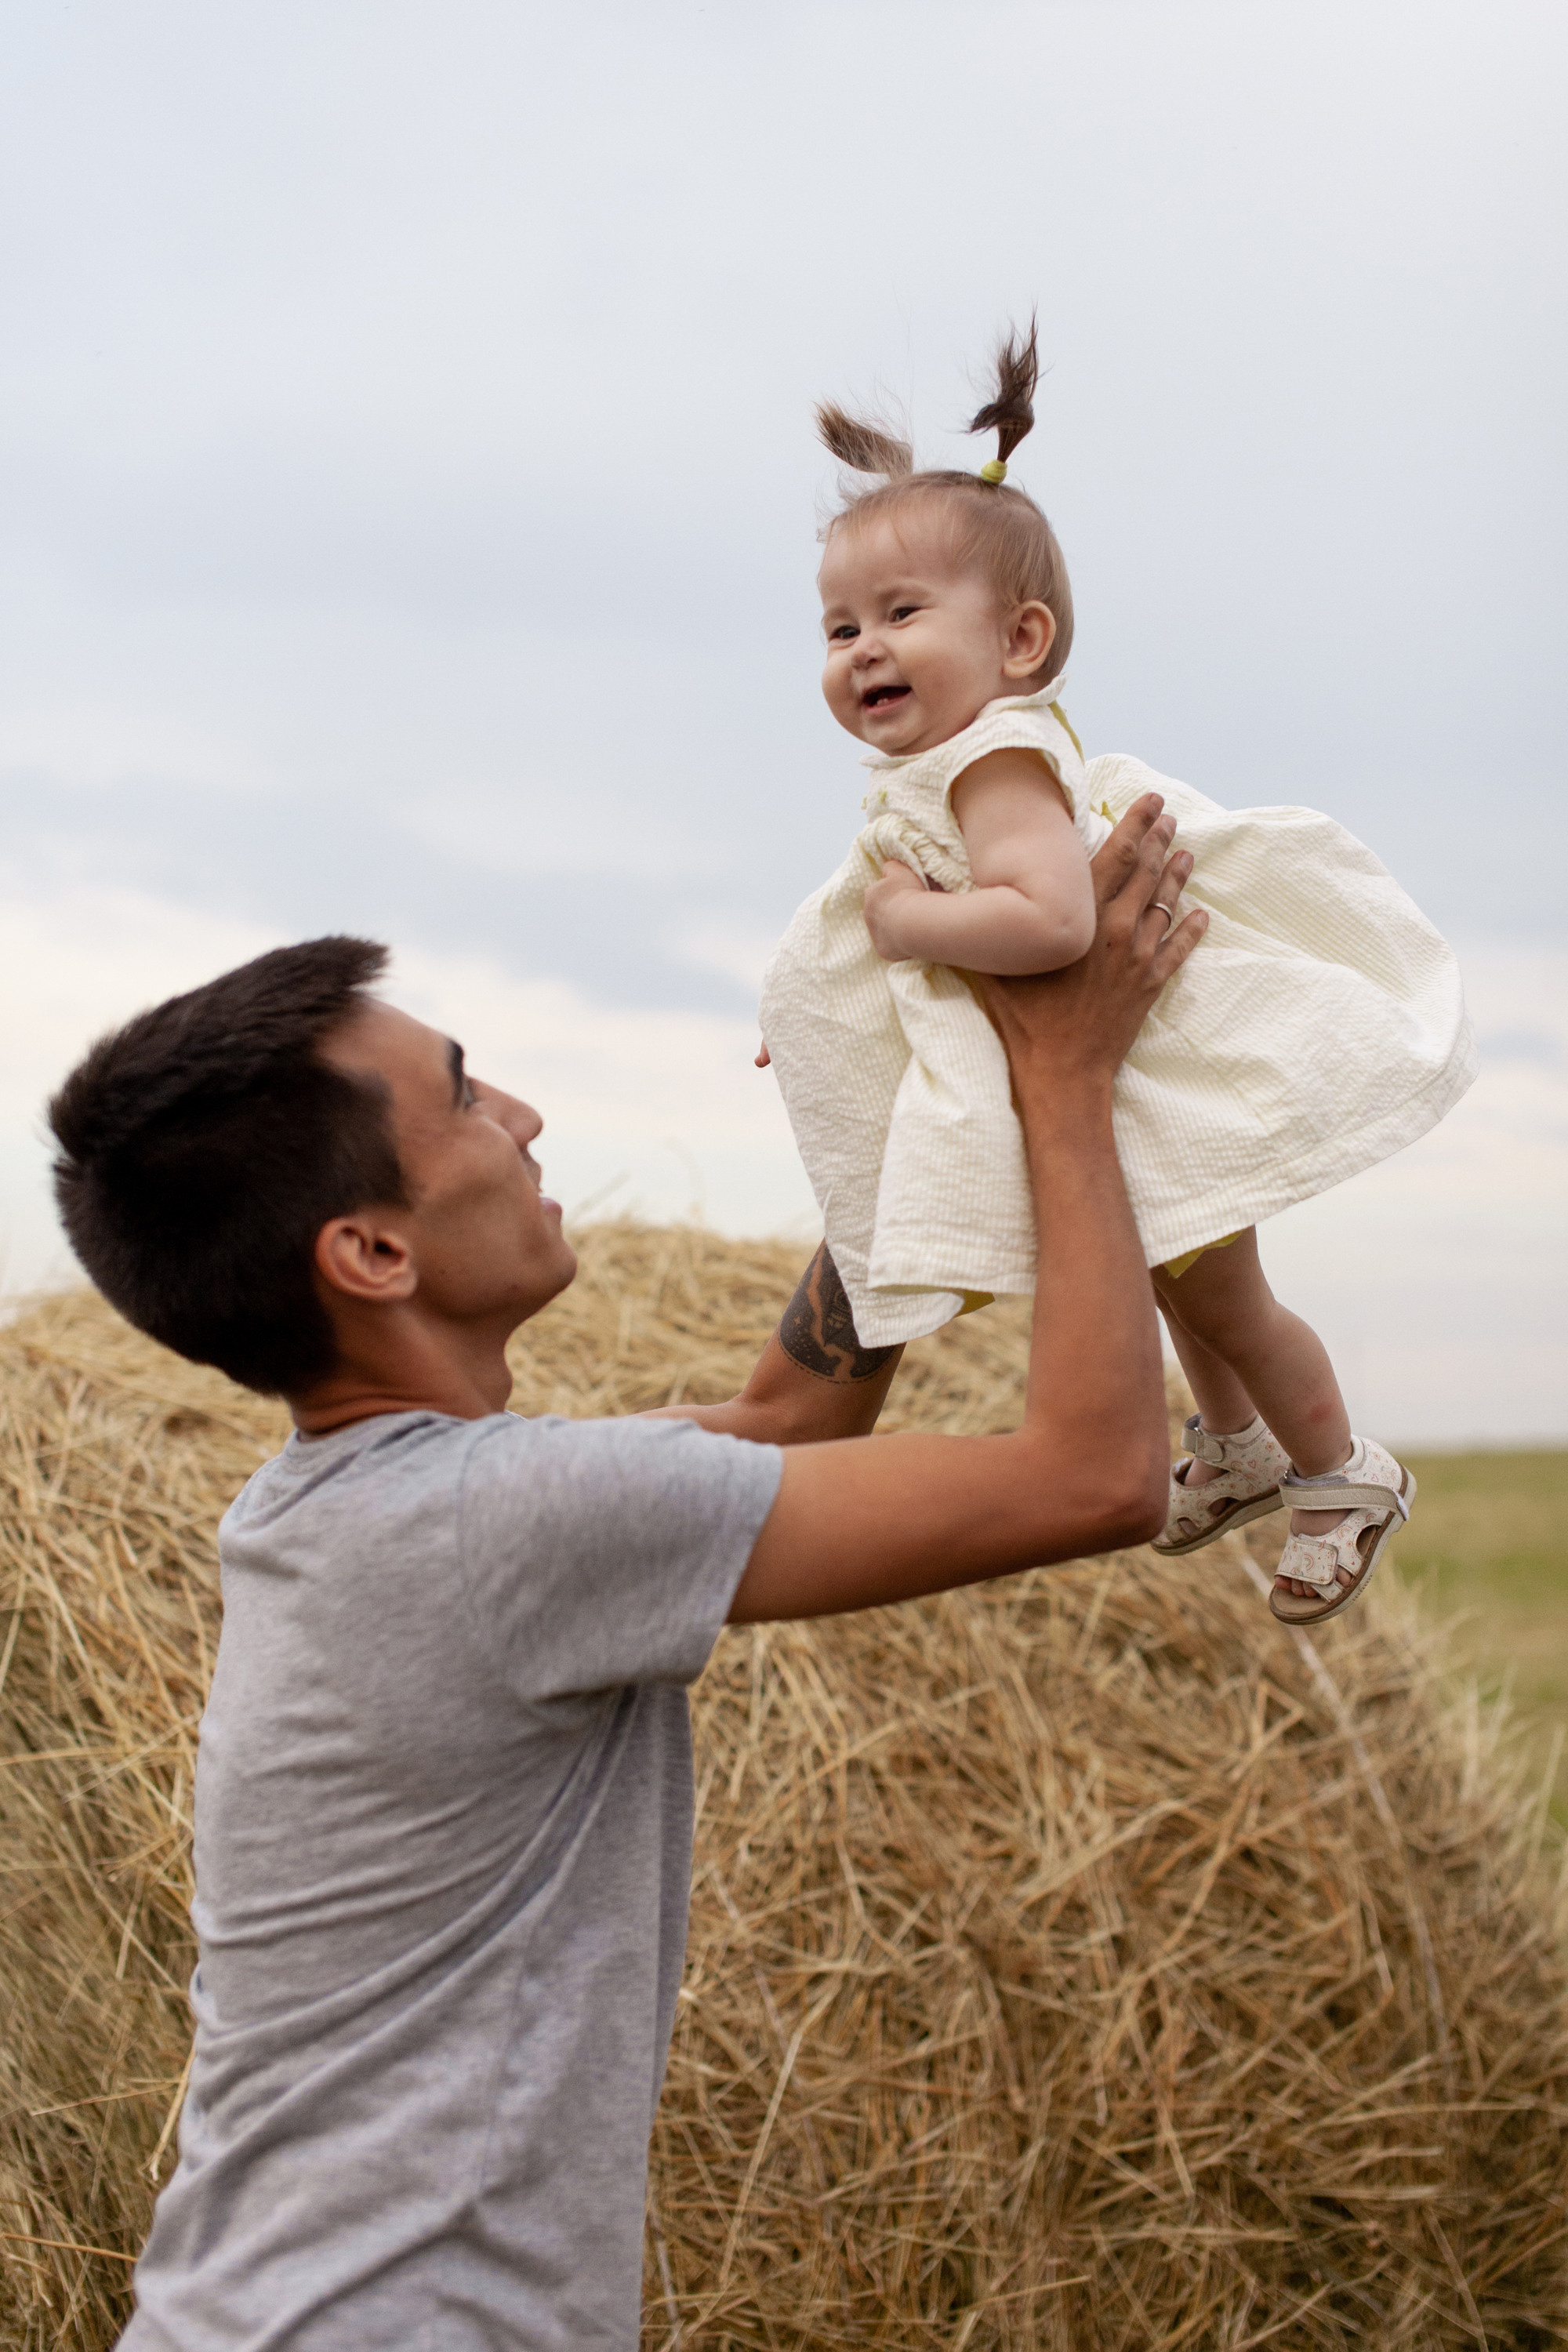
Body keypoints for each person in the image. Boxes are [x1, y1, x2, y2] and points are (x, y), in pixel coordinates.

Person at [47, 799, 1198, 2352]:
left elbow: (786, 1422)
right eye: (464, 1096)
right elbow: (1097, 1473)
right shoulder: (505, 1521)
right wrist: (1065, 1077)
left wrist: (910, 1094)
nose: (522, 1115)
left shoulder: (357, 1509)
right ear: (372, 1255)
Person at [758, 320, 1476, 1628]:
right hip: (1119, 1097)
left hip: (1140, 1078)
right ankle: (1240, 1448)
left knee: (1229, 1300)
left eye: (901, 615)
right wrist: (835, 1005)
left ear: (1021, 639)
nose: (861, 647)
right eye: (840, 624)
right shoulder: (947, 774)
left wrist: (909, 928)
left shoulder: (997, 764)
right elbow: (893, 922)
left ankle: (1341, 1472)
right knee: (1173, 1273)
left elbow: (1048, 925)